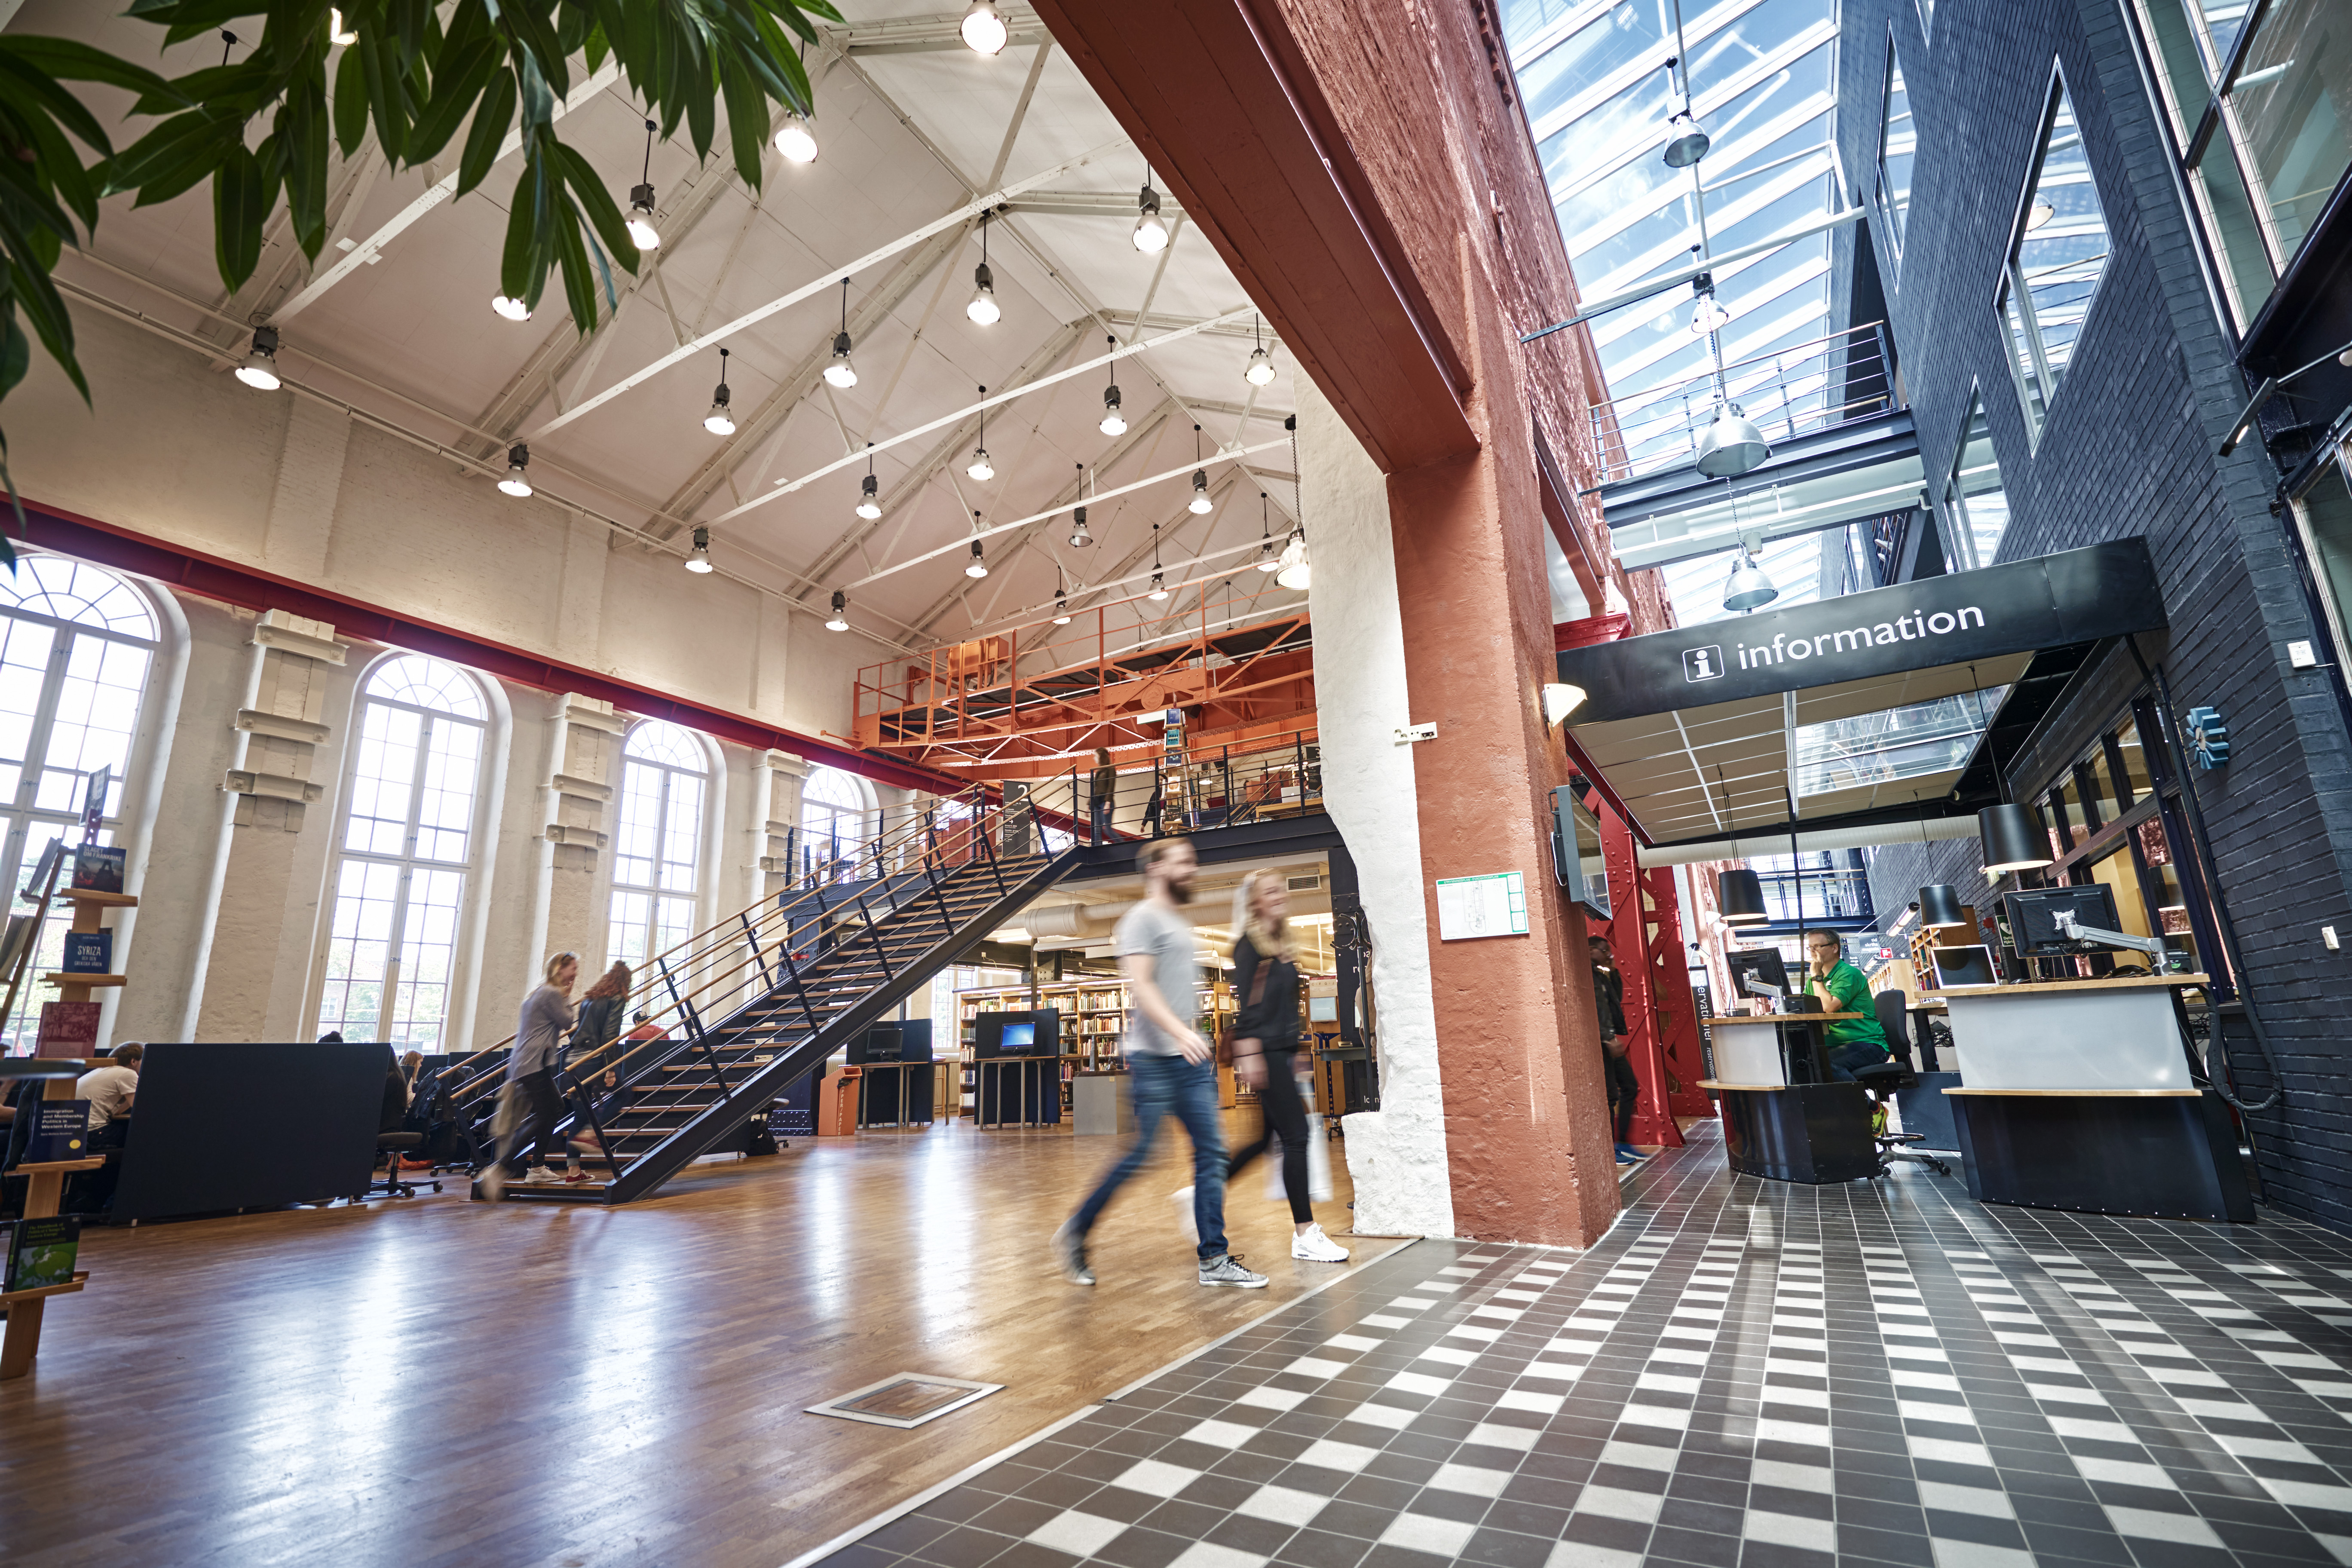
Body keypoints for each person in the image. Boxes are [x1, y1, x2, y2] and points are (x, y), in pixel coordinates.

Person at [1053, 836, 1266, 1290]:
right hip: (1154, 1060)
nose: (1192, 869)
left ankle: (1214, 1259)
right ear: (1155, 869)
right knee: (1142, 1154)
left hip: (1189, 1062)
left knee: (1211, 1155)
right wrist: (1180, 1032)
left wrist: (1193, 1034)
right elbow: (1143, 986)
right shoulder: (1141, 919)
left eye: (1193, 861)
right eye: (1182, 862)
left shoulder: (1177, 920)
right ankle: (1078, 1228)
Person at [1220, 870, 1348, 1262]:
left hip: (1282, 1052)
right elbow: (1248, 1009)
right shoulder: (1249, 947)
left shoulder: (1282, 944)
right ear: (1255, 902)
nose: (1279, 896)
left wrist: (1294, 1054)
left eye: (1281, 889)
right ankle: (1305, 1234)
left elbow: (1283, 1007)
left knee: (1265, 1140)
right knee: (1296, 1136)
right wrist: (1250, 1055)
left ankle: (1205, 1191)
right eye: (1270, 891)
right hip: (1264, 1053)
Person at [484, 950, 579, 1198]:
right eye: (573, 969)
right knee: (550, 1111)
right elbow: (568, 1021)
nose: (575, 974)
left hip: (528, 1063)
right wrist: (568, 995)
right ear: (560, 969)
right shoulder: (552, 993)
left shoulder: (539, 991)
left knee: (553, 1110)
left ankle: (536, 1167)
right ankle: (501, 1168)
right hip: (533, 1063)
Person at [1801, 928, 1894, 1080]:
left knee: (1827, 1063)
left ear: (1834, 948)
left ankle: (1862, 1098)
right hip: (1834, 1044)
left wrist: (1816, 976)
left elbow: (1829, 1007)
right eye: (1810, 947)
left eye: (1817, 946)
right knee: (1802, 1063)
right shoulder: (1813, 982)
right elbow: (1807, 1009)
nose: (1813, 951)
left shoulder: (1848, 974)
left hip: (1866, 1043)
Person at [1591, 936, 1642, 1165]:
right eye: (1605, 951)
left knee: (1629, 1086)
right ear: (1591, 950)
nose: (1609, 955)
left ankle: (1622, 1142)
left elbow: (1615, 1000)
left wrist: (1612, 972)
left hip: (1610, 1039)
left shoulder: (1601, 973)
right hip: (1602, 1042)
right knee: (1610, 1096)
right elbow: (1595, 1008)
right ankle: (1610, 1150)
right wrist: (1607, 1037)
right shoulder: (1586, 973)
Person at [77, 1041, 143, 1150]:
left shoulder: (101, 1071)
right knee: (144, 1134)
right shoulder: (128, 1073)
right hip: (94, 1133)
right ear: (134, 1061)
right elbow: (141, 1111)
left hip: (78, 1134)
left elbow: (117, 1112)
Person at [570, 961, 632, 1071]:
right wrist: (610, 1068)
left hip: (573, 1056)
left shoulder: (589, 998)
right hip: (592, 1057)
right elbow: (610, 1035)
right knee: (621, 1082)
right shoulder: (618, 999)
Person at [1089, 747, 1117, 844]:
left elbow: (1111, 786)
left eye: (1096, 756)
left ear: (1102, 757)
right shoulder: (1099, 771)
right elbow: (1095, 788)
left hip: (1105, 802)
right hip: (1097, 802)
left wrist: (1108, 803)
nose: (1094, 758)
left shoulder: (1110, 769)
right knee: (1097, 830)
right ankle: (1098, 850)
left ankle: (1124, 846)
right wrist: (1089, 804)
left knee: (1108, 830)